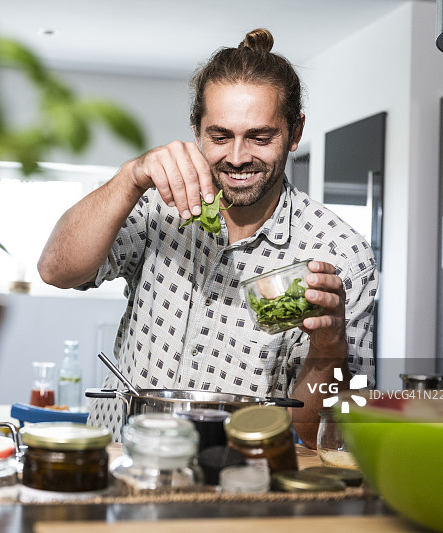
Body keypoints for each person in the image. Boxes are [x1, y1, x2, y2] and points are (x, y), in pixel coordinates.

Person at [38, 28, 377, 448]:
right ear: (197, 130)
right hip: (121, 458)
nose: (237, 157)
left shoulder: (343, 254)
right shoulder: (158, 204)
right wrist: (130, 177)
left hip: (239, 473)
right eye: (220, 136)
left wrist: (329, 345)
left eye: (260, 137)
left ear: (295, 133)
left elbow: (320, 437)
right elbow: (56, 270)